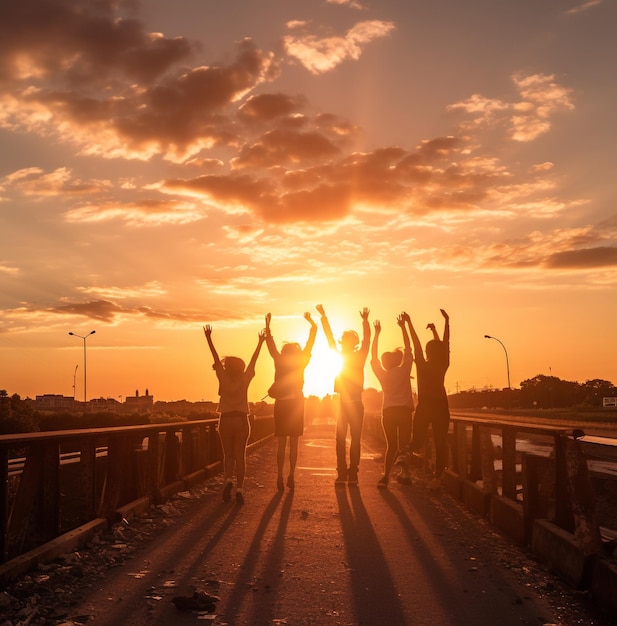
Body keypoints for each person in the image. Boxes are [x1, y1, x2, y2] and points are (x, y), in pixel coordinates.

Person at [203, 324, 266, 504]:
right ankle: (239, 488)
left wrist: (209, 338)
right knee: (240, 456)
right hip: (241, 420)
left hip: (225, 420)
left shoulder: (222, 376)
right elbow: (254, 360)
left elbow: (214, 356)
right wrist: (260, 342)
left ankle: (228, 480)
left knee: (228, 455)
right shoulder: (245, 379)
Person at [396, 309, 450, 490]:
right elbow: (445, 345)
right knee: (440, 442)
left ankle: (405, 454)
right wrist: (446, 323)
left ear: (427, 352)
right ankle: (437, 478)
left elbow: (416, 342)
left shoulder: (422, 363)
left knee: (417, 440)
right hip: (441, 406)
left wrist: (409, 323)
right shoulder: (443, 364)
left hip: (425, 405)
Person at [316, 304, 370, 485]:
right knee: (342, 440)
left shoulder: (357, 356)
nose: (345, 343)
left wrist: (365, 322)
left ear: (352, 343)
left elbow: (367, 340)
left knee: (351, 440)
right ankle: (344, 474)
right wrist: (324, 317)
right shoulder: (340, 356)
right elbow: (329, 337)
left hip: (353, 404)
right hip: (344, 404)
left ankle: (351, 473)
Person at [264, 312, 318, 491]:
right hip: (296, 404)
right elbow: (310, 343)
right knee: (294, 444)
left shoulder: (279, 360)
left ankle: (279, 476)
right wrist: (312, 323)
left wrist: (268, 328)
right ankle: (291, 476)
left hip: (281, 404)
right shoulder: (301, 361)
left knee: (281, 443)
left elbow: (270, 346)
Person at [371, 313, 415, 489]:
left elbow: (373, 357)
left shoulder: (382, 375)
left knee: (391, 446)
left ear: (385, 362)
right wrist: (403, 327)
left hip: (388, 412)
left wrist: (376, 334)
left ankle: (386, 476)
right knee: (404, 446)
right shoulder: (405, 369)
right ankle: (405, 474)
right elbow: (408, 348)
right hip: (404, 411)